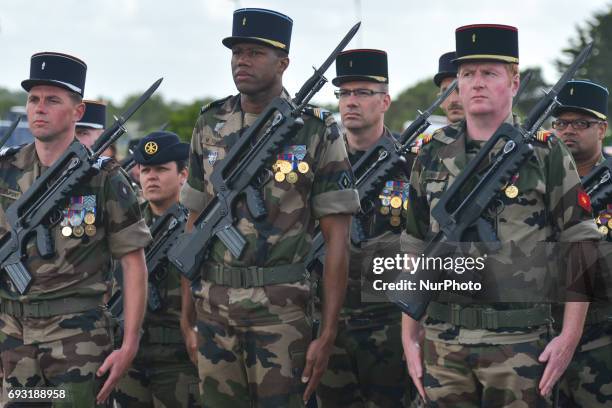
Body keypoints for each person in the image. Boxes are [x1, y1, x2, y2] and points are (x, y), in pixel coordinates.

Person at [400, 25, 600, 407]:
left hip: (520, 346)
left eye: (489, 73)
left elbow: (581, 243)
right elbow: (414, 244)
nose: (476, 83)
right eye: (467, 73)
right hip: (444, 346)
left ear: (513, 81)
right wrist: (409, 335)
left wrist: (569, 337)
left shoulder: (546, 153)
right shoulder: (431, 154)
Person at [179, 8, 360, 407]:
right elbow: (192, 226)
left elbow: (337, 240)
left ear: (284, 63)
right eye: (237, 51)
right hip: (214, 312)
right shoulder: (210, 123)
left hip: (282, 315)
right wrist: (187, 317)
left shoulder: (315, 129)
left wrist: (327, 333)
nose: (242, 60)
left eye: (255, 53)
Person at [0, 51, 151, 406]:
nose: (39, 108)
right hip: (14, 338)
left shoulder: (104, 178)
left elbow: (133, 263)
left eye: (53, 100)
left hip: (77, 341)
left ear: (77, 111)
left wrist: (129, 343)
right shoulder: (6, 169)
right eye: (34, 99)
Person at [315, 48, 413, 408]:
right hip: (329, 320)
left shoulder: (413, 162)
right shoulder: (318, 162)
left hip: (390, 321)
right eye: (343, 93)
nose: (350, 102)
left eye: (362, 92)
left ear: (385, 100)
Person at [113, 131, 202, 407]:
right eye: (146, 169)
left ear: (183, 174)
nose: (151, 176)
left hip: (180, 358)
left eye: (162, 169)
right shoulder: (124, 224)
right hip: (130, 354)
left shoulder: (200, 222)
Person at [552, 79, 612, 407]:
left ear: (602, 129)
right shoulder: (537, 184)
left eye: (581, 123)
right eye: (561, 122)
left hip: (601, 342)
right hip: (543, 336)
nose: (568, 130)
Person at [433, 51, 464, 125]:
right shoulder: (430, 136)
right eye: (446, 92)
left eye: (459, 90)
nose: (452, 100)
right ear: (439, 101)